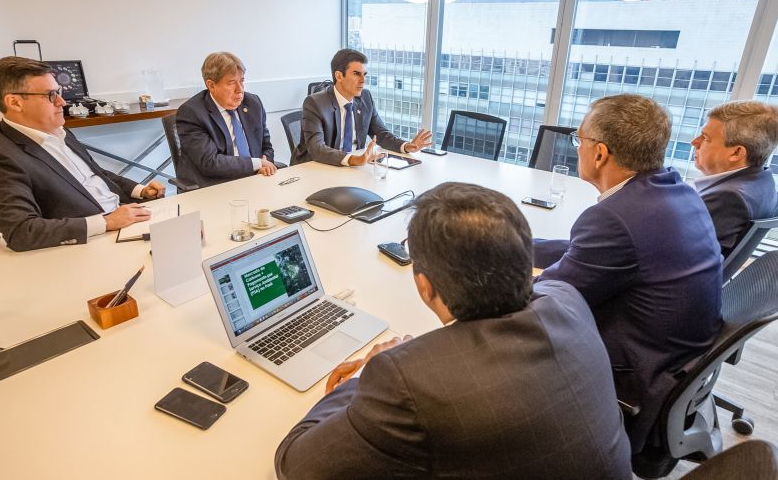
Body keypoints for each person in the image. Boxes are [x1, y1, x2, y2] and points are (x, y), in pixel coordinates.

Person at [275, 182, 632, 479]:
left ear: (424, 286)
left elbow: (297, 464)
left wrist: (366, 373)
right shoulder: (567, 298)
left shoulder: (406, 382)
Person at [534, 94, 722, 456]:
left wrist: (479, 272)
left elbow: (547, 297)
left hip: (634, 369)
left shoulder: (614, 217)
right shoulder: (675, 190)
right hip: (674, 354)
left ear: (600, 153)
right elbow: (589, 253)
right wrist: (516, 244)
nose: (578, 149)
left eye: (580, 140)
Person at [0, 57, 164, 252]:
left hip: (127, 219)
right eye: (50, 95)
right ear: (14, 102)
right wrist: (107, 222)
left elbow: (95, 174)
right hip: (89, 244)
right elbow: (22, 232)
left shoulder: (59, 132)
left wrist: (140, 190)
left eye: (58, 92)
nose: (62, 102)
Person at [291, 48, 432, 166]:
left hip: (354, 167)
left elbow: (381, 134)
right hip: (315, 168)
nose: (363, 80)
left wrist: (406, 146)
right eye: (356, 74)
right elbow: (317, 149)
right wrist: (353, 160)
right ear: (339, 76)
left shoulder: (365, 98)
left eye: (364, 74)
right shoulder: (314, 103)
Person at [691, 100, 778, 257]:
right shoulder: (763, 180)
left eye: (705, 138)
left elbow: (678, 254)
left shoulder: (727, 198)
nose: (694, 142)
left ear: (736, 153)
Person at [176, 52, 277, 187]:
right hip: (215, 186)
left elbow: (266, 146)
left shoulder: (253, 103)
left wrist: (265, 163)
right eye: (231, 83)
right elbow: (210, 162)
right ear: (211, 85)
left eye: (241, 81)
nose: (240, 90)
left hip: (255, 180)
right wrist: (257, 163)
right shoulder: (192, 113)